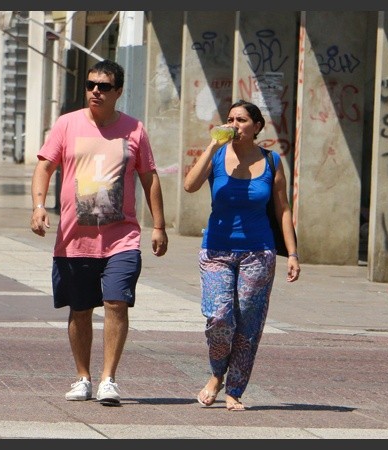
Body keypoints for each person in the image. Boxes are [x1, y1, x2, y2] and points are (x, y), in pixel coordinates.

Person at [30, 59, 168, 406]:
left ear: (118, 91)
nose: (95, 91)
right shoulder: (67, 124)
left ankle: (108, 378)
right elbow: (44, 167)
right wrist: (38, 206)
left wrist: (159, 226)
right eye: (91, 85)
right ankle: (83, 377)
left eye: (104, 86)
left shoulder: (134, 129)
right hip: (74, 239)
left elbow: (149, 177)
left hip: (122, 238)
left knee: (116, 303)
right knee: (80, 310)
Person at [183, 99, 300, 411]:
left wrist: (292, 253)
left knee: (248, 324)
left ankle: (234, 390)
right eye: (230, 119)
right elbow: (189, 185)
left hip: (258, 253)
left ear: (257, 126)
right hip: (216, 250)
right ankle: (216, 374)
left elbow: (283, 209)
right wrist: (212, 145)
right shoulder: (217, 155)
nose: (234, 125)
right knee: (219, 317)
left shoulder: (272, 161)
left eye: (242, 120)